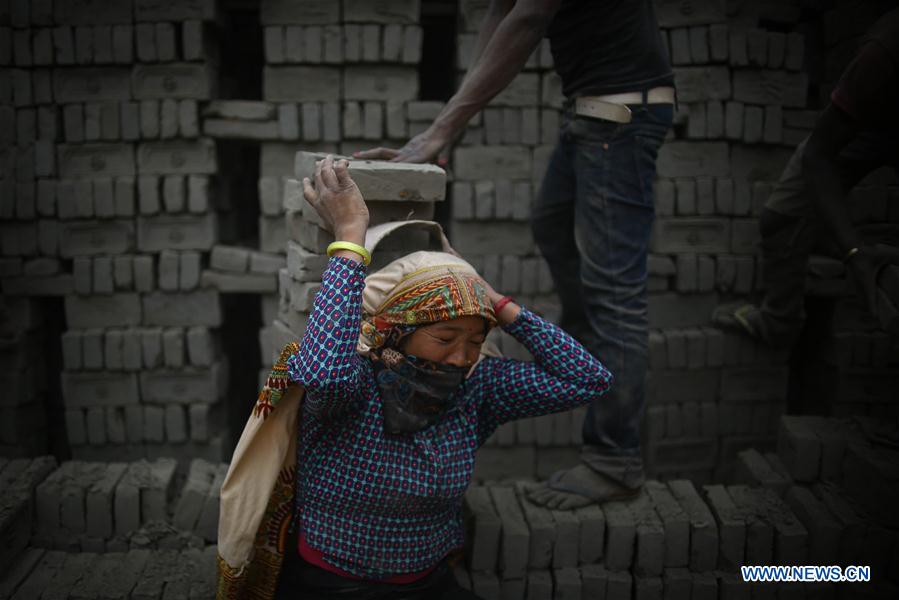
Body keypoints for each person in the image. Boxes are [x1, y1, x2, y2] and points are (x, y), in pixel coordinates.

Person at [356, 0, 675, 507]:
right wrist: (451, 125)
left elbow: (527, 20)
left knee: (614, 293)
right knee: (551, 228)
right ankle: (592, 340)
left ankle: (615, 457)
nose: (460, 357)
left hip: (620, 117)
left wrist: (440, 129)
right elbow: (502, 11)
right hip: (589, 113)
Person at [261, 156, 613, 598]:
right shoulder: (355, 384)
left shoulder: (477, 388)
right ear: (396, 332)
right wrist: (350, 237)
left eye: (474, 340)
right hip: (332, 584)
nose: (460, 357)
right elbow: (321, 374)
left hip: (429, 582)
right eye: (445, 337)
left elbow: (588, 380)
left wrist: (499, 306)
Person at [715, 8, 899, 345]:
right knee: (781, 216)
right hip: (869, 124)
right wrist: (854, 252)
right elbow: (818, 155)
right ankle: (780, 319)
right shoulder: (885, 52)